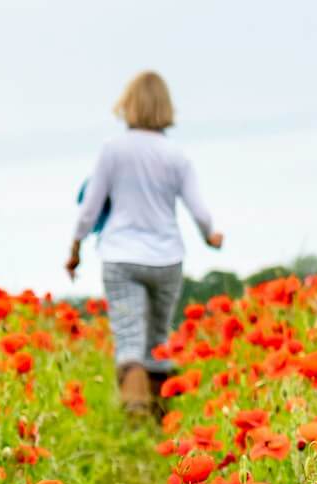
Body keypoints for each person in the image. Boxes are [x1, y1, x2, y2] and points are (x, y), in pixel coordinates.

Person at [67, 71, 223, 415]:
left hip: (121, 256)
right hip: (167, 257)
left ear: (128, 105)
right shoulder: (175, 156)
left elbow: (89, 208)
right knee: (157, 339)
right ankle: (160, 419)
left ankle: (136, 412)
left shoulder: (113, 150)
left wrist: (75, 249)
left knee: (129, 339)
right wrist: (211, 236)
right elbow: (200, 211)